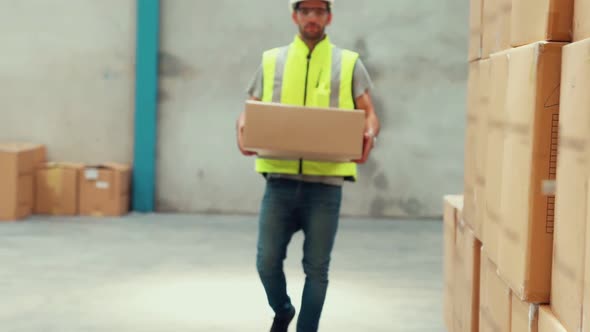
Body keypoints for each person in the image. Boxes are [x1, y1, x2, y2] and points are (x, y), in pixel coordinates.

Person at [235, 0, 380, 331]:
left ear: (329, 17)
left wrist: (370, 131)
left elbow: (369, 112)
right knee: (266, 261)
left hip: (325, 185)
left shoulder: (348, 63)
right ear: (294, 16)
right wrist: (242, 126)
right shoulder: (272, 61)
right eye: (305, 11)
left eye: (318, 11)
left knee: (317, 268)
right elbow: (250, 108)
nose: (312, 17)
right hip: (279, 180)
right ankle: (283, 308)